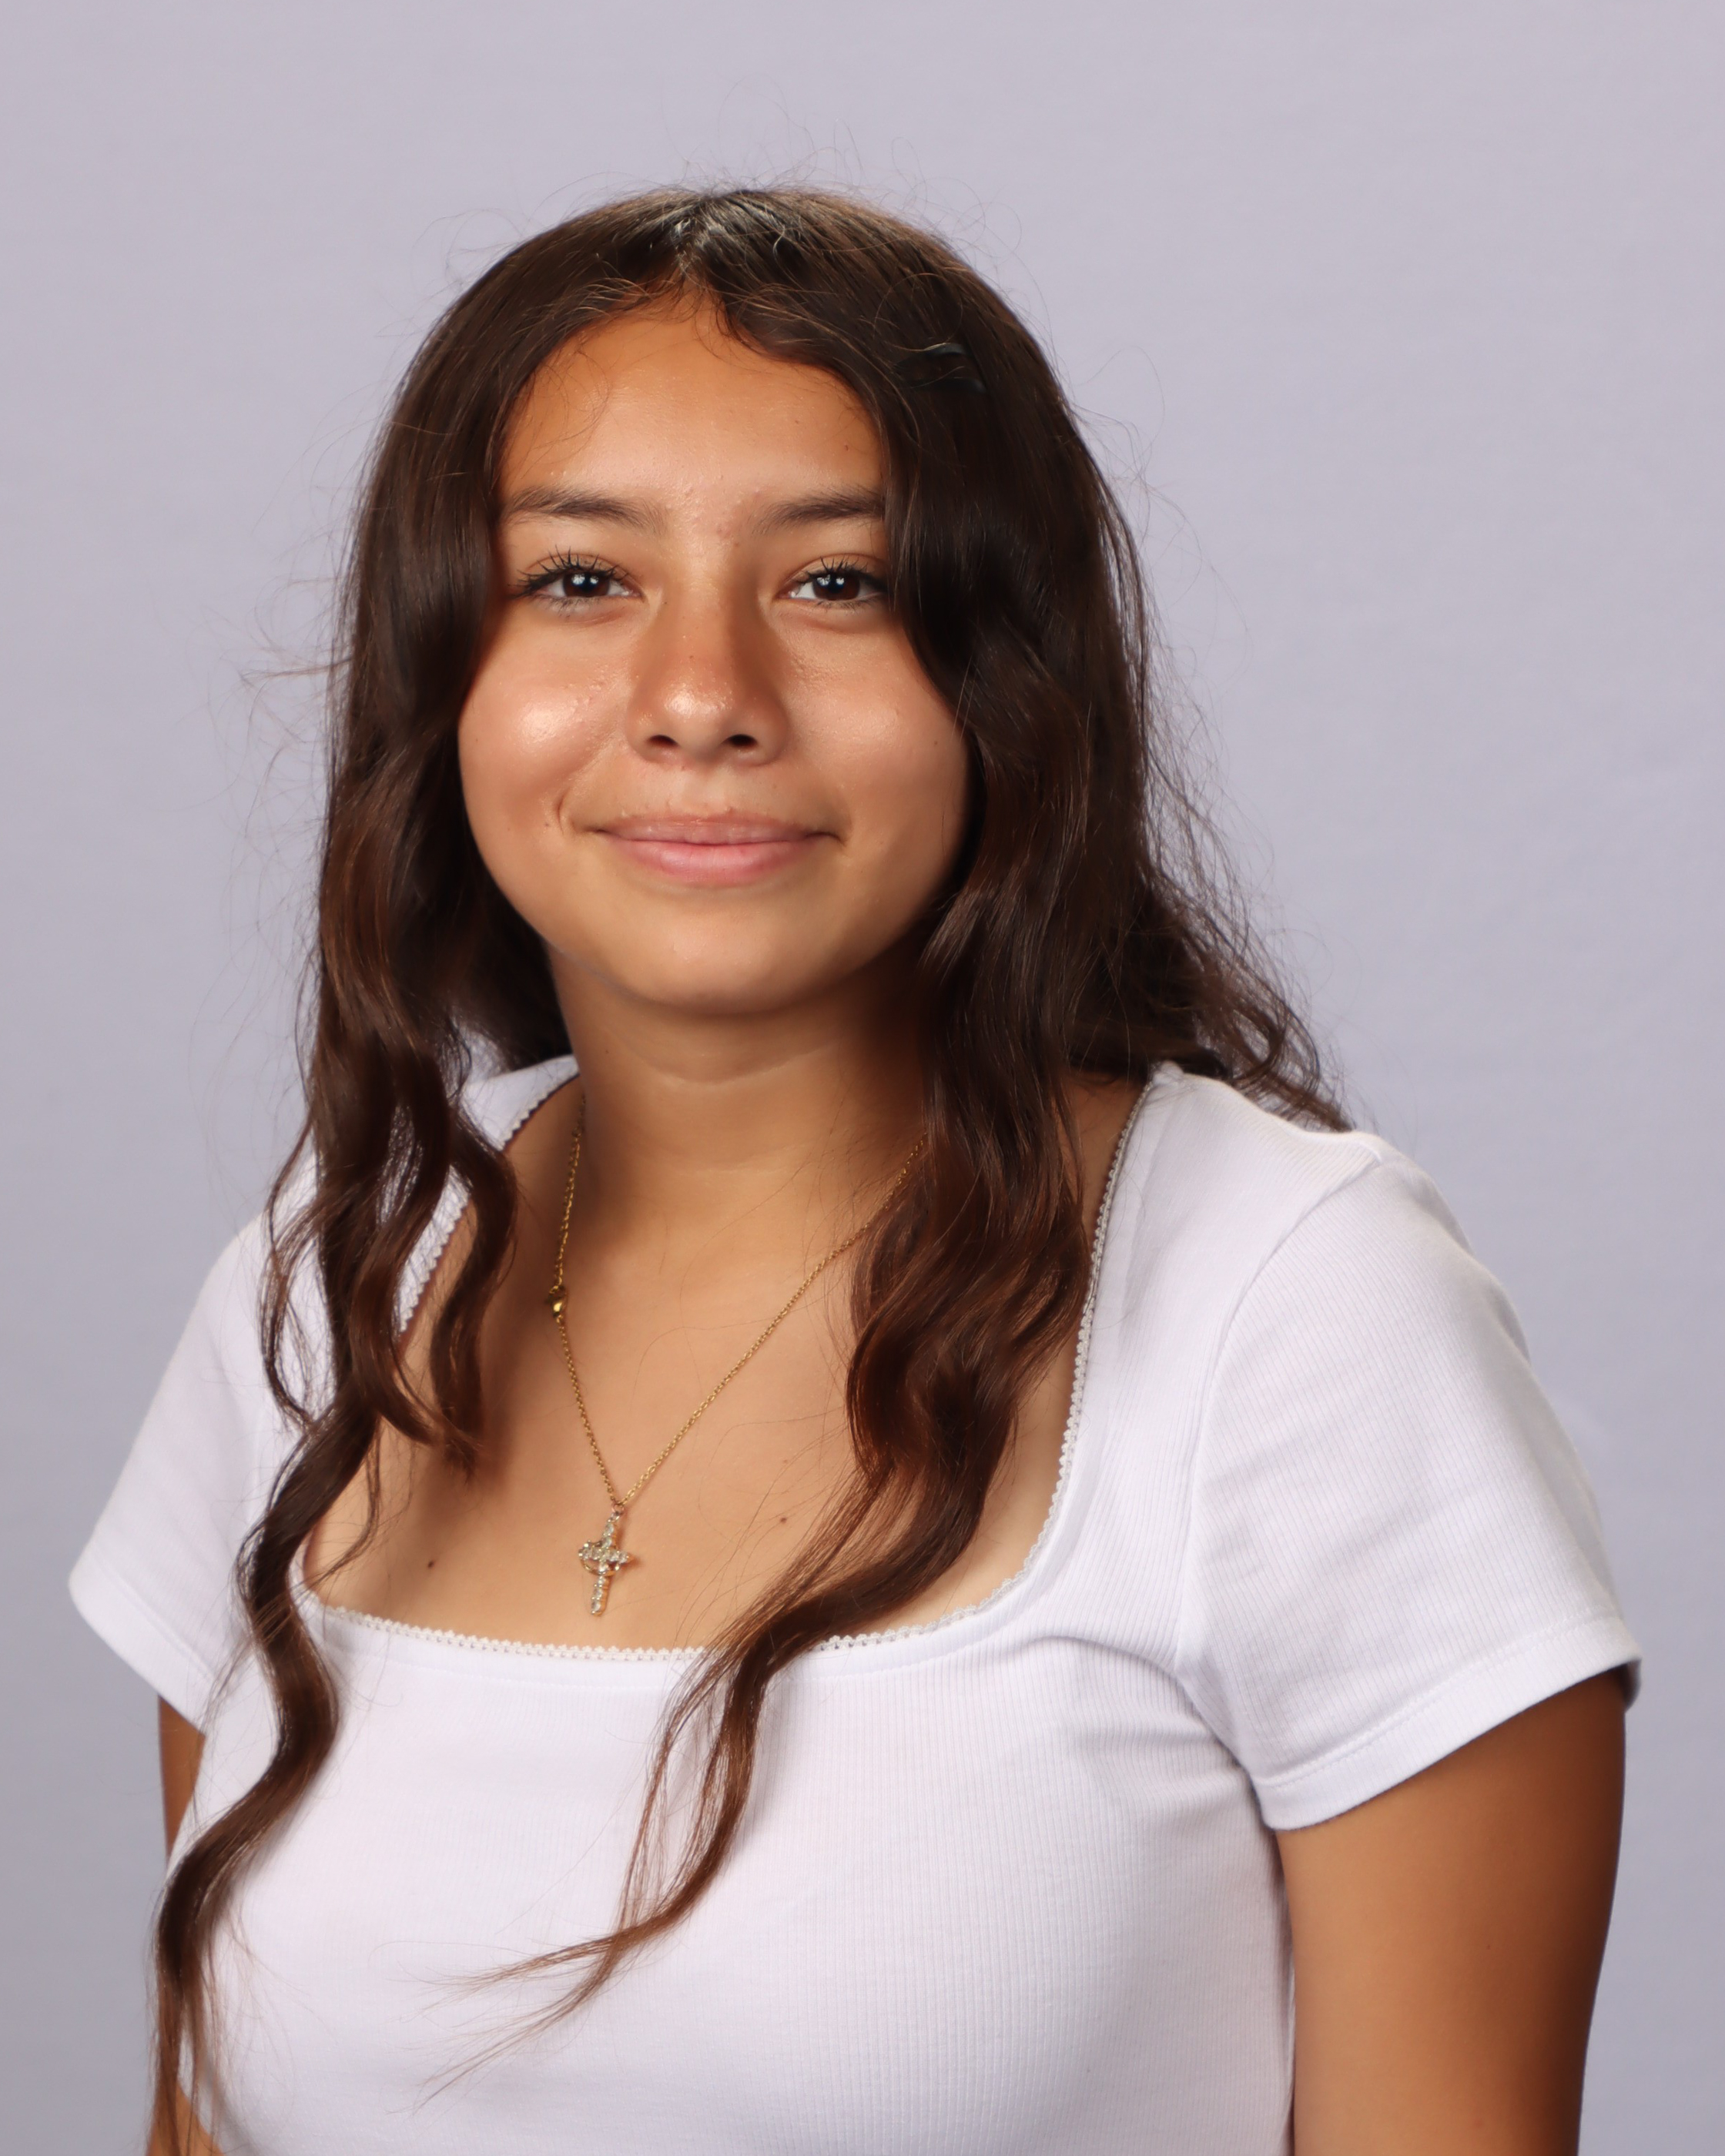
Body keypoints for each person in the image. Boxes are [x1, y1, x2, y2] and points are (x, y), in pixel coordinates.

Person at [72, 188, 1636, 2156]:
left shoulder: (1293, 1301)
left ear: (1007, 682)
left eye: (837, 582)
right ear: (439, 674)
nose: (700, 692)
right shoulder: (328, 1278)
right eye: (579, 577)